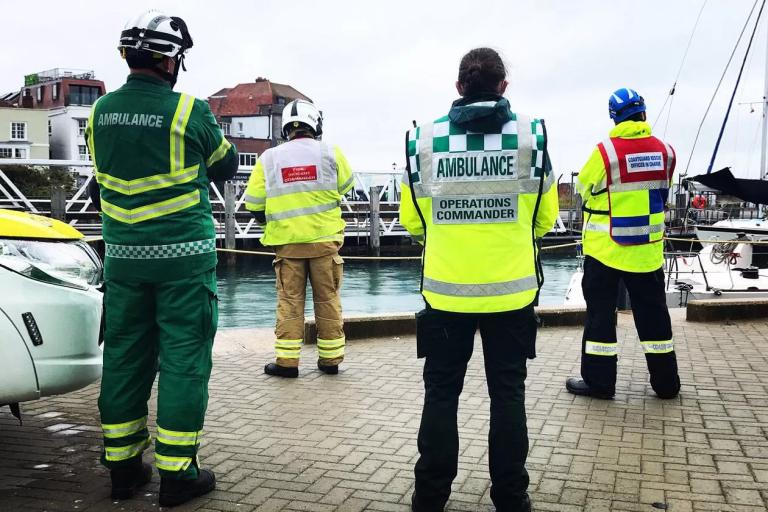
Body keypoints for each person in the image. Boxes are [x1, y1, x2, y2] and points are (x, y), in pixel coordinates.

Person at [86, 10, 238, 507]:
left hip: (124, 260)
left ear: (128, 55)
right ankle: (177, 474)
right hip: (183, 262)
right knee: (183, 360)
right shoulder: (188, 111)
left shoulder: (99, 111)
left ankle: (124, 470)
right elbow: (226, 165)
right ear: (172, 61)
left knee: (124, 356)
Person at [400, 47, 559, 512]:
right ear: (503, 86)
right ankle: (511, 497)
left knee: (441, 393)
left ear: (458, 87)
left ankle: (430, 496)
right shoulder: (532, 136)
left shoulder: (422, 140)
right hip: (512, 293)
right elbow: (544, 217)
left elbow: (414, 222)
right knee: (508, 393)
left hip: (446, 293)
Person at [565, 88, 680, 400]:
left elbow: (584, 189)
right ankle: (666, 383)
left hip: (606, 251)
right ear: (643, 112)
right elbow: (663, 191)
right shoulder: (666, 151)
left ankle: (600, 384)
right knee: (655, 317)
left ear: (614, 117)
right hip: (648, 251)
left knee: (600, 318)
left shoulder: (606, 153)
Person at [244, 99, 354, 378]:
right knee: (327, 299)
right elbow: (347, 187)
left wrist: (269, 219)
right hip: (325, 241)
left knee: (290, 303)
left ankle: (287, 363)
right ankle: (330, 361)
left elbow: (254, 204)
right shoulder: (331, 152)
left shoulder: (268, 158)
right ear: (315, 124)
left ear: (285, 128)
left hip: (288, 244)